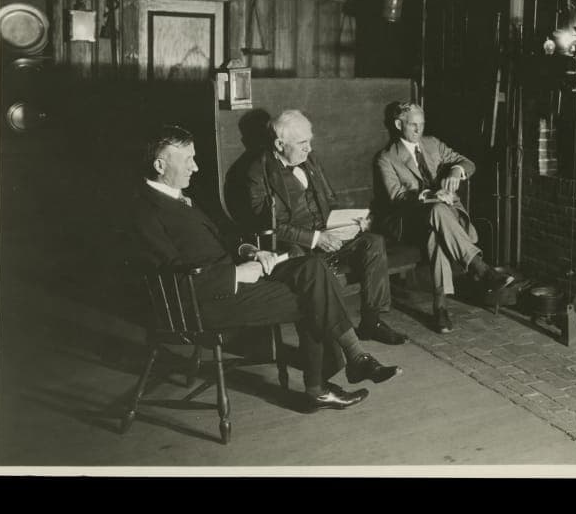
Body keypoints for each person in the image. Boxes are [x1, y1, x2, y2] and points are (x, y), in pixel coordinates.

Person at [130, 124, 401, 412]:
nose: (195, 168)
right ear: (160, 164)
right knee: (313, 294)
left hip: (232, 276)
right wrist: (237, 273)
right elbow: (174, 279)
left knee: (312, 267)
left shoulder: (180, 196)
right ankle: (326, 381)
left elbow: (221, 237)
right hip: (204, 302)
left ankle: (353, 359)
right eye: (188, 160)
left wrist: (250, 250)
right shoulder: (144, 212)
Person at [238, 109, 407, 346]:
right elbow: (267, 225)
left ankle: (372, 320)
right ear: (279, 143)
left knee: (373, 242)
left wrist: (351, 221)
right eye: (302, 143)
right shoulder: (258, 171)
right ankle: (336, 337)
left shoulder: (310, 159)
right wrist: (317, 239)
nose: (308, 148)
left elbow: (330, 199)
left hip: (329, 231)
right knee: (316, 267)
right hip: (297, 246)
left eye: (310, 142)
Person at [373, 102, 512, 334]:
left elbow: (469, 163)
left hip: (446, 217)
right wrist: (430, 194)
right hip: (411, 220)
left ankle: (440, 307)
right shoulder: (387, 158)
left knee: (435, 232)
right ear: (398, 125)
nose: (418, 131)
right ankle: (479, 268)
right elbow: (397, 196)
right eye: (413, 126)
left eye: (422, 125)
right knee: (436, 211)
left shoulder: (433, 144)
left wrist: (456, 171)